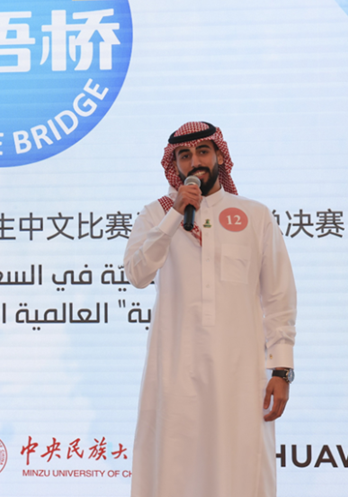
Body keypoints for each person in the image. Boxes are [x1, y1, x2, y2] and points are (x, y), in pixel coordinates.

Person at [124, 121, 296, 497]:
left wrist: (282, 369)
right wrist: (175, 215)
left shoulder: (254, 216)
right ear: (175, 165)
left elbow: (279, 298)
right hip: (176, 373)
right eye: (184, 156)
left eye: (203, 151)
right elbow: (137, 274)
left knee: (241, 470)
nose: (195, 162)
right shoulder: (156, 215)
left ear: (219, 156)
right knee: (175, 471)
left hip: (241, 374)